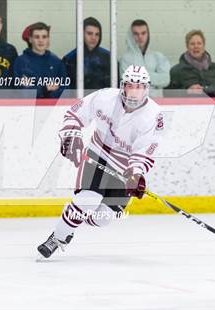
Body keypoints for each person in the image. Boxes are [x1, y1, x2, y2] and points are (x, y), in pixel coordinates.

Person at [37, 65, 164, 258]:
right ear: (123, 86)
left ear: (146, 88)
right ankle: (58, 237)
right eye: (130, 85)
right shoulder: (104, 97)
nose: (133, 91)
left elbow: (144, 151)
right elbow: (74, 114)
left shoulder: (153, 115)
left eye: (139, 86)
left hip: (124, 168)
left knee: (102, 218)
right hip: (98, 155)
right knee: (88, 200)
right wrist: (71, 137)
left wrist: (135, 174)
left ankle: (74, 213)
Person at [167, 29, 215, 97]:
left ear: (204, 45)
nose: (196, 46)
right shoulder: (176, 71)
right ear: (187, 46)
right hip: (189, 107)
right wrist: (187, 92)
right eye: (192, 44)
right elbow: (167, 94)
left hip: (213, 106)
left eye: (199, 43)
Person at [14, 22, 67, 98]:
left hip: (52, 108)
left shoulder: (57, 62)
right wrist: (45, 88)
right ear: (30, 39)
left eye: (44, 37)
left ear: (48, 39)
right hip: (29, 108)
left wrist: (38, 89)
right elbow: (23, 91)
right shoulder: (21, 62)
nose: (41, 40)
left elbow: (65, 90)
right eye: (37, 37)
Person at [119, 19, 170, 96]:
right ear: (131, 35)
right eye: (136, 34)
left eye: (143, 33)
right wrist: (156, 78)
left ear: (148, 34)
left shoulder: (158, 56)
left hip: (157, 103)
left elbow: (165, 80)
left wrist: (138, 76)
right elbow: (129, 83)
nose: (140, 37)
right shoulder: (125, 59)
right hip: (134, 103)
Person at [63, 17, 110, 91]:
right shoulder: (70, 59)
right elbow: (66, 89)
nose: (93, 38)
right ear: (81, 34)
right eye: (89, 33)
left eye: (97, 34)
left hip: (103, 101)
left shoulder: (108, 58)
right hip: (78, 101)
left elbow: (114, 87)